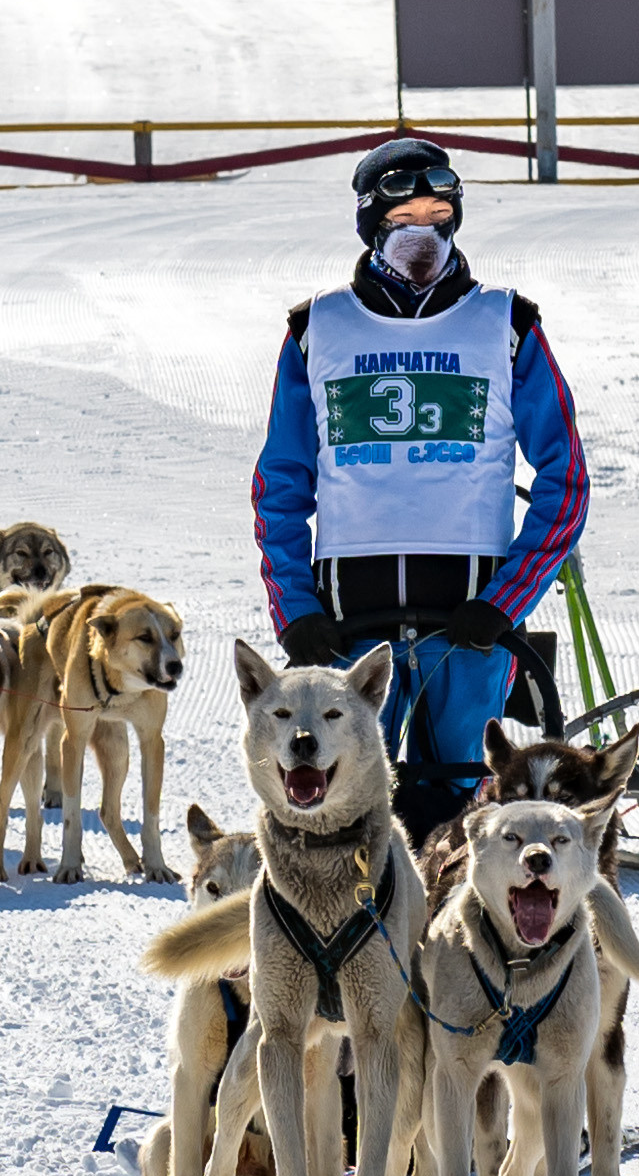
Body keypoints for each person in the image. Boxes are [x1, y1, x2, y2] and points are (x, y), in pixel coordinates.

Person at [252, 138, 589, 839]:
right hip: (346, 619)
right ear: (373, 223)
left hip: (470, 615)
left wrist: (506, 601)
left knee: (459, 816)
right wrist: (295, 607)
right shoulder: (317, 328)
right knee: (340, 810)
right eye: (406, 214)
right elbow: (281, 483)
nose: (425, 231)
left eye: (440, 212)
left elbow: (566, 479)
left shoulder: (509, 323)